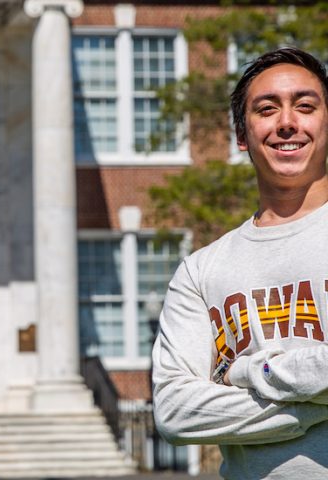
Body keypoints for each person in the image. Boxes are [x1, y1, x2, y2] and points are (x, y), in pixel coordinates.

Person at [152, 46, 328, 480]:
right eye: (266, 109)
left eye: (305, 106)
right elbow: (175, 411)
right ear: (242, 136)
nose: (287, 122)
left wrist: (253, 370)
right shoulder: (200, 270)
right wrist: (307, 412)